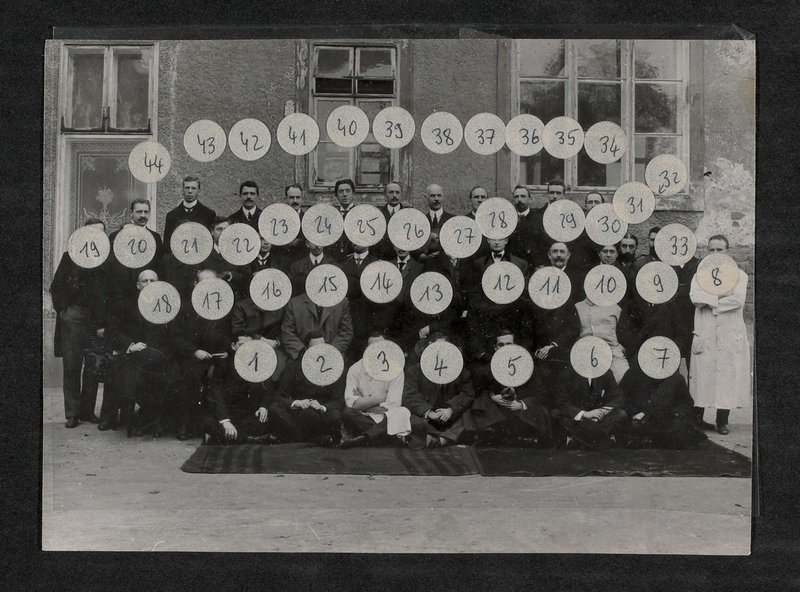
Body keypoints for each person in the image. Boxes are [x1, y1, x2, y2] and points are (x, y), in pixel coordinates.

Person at [102, 269, 176, 436]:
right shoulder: (125, 305)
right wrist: (130, 345)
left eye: (152, 281)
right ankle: (119, 416)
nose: (148, 284)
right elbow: (113, 331)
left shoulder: (166, 306)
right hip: (132, 356)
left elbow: (172, 336)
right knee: (124, 372)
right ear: (138, 285)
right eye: (144, 281)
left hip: (158, 357)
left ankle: (150, 418)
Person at [689, 235, 750, 435]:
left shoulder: (739, 275)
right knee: (702, 376)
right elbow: (695, 298)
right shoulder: (699, 275)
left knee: (726, 376)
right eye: (711, 250)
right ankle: (698, 419)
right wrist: (721, 296)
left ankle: (722, 421)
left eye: (720, 250)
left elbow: (737, 300)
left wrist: (710, 300)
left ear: (728, 252)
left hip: (729, 334)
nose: (715, 254)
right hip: (705, 332)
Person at [50, 218, 109, 428]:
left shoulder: (107, 259)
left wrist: (103, 321)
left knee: (94, 364)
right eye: (92, 232)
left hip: (97, 319)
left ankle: (87, 411)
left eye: (101, 233)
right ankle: (72, 413)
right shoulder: (70, 256)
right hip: (74, 315)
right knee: (72, 363)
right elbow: (56, 286)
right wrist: (64, 311)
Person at [463, 330, 553, 447]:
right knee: (479, 404)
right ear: (495, 348)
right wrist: (491, 397)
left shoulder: (528, 368)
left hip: (521, 414)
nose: (505, 348)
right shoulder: (484, 371)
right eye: (501, 345)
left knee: (538, 408)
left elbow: (541, 394)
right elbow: (474, 394)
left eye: (509, 344)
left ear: (515, 346)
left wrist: (521, 404)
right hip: (497, 416)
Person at [171, 269, 232, 440]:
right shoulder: (185, 308)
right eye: (204, 282)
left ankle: (221, 424)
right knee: (188, 378)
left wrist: (226, 350)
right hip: (193, 357)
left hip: (218, 357)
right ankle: (184, 424)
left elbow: (230, 333)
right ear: (195, 284)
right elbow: (175, 337)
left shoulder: (223, 306)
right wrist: (194, 351)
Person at [268, 333, 346, 446]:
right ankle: (311, 439)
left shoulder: (334, 369)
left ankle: (297, 437)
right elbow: (278, 396)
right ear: (306, 349)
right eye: (315, 348)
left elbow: (339, 400)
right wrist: (297, 403)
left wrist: (322, 407)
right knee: (274, 408)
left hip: (321, 413)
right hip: (299, 412)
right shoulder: (294, 366)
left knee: (334, 416)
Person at [339, 331, 413, 448]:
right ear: (366, 349)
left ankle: (363, 439)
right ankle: (387, 438)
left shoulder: (396, 370)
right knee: (347, 413)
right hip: (364, 418)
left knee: (402, 412)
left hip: (386, 418)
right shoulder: (355, 369)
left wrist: (364, 403)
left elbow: (394, 405)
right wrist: (381, 398)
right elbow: (351, 404)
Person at [402, 332, 475, 447]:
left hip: (450, 416)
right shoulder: (414, 371)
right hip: (427, 416)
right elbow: (410, 395)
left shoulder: (460, 371)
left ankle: (441, 440)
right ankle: (440, 439)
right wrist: (428, 412)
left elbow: (467, 393)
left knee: (466, 417)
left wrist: (451, 409)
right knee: (410, 418)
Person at [620, 362, 706, 449]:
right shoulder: (633, 374)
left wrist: (675, 413)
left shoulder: (675, 378)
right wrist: (635, 413)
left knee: (679, 429)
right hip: (639, 418)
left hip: (665, 419)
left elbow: (686, 402)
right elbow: (622, 397)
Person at [552, 365, 628, 449]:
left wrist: (602, 411)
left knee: (621, 414)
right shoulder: (567, 374)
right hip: (578, 419)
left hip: (599, 418)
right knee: (561, 417)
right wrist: (585, 414)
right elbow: (562, 403)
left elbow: (618, 397)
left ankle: (578, 441)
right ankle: (602, 440)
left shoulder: (605, 372)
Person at [107, 199, 165, 300]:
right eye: (139, 212)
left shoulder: (155, 238)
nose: (143, 215)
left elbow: (158, 266)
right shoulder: (115, 236)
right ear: (131, 213)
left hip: (147, 294)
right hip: (121, 292)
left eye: (146, 212)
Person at [281, 291, 353, 361]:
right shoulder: (294, 303)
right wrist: (303, 352)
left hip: (333, 358)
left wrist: (331, 352)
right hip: (301, 358)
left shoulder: (342, 303)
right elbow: (287, 332)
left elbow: (346, 332)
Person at [198, 216, 248, 298]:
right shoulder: (202, 252)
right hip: (208, 297)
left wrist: (232, 274)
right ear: (212, 232)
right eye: (219, 229)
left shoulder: (238, 252)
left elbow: (247, 276)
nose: (223, 233)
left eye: (226, 229)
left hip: (234, 298)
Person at [163, 176, 216, 253]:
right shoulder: (172, 215)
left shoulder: (209, 214)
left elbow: (210, 243)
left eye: (193, 188)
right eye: (187, 188)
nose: (190, 191)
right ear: (182, 190)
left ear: (199, 191)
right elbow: (167, 246)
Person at [272, 183, 308, 263]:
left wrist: (299, 242)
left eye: (298, 197)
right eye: (291, 197)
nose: (295, 201)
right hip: (283, 262)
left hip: (301, 262)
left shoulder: (308, 220)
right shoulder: (278, 220)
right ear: (286, 199)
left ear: (302, 198)